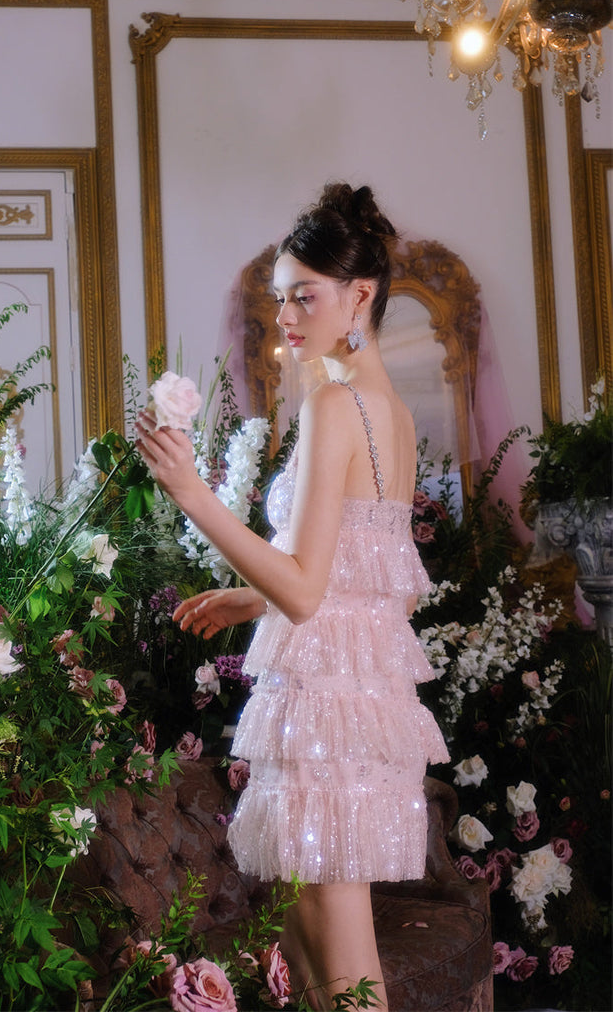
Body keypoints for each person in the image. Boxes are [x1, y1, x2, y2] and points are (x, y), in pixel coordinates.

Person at [135, 183, 449, 1011]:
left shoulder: (336, 405)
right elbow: (372, 586)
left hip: (330, 720)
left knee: (338, 965)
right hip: (352, 710)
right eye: (280, 297)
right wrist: (254, 598)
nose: (285, 316)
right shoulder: (389, 412)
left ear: (359, 295)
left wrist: (193, 495)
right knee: (313, 948)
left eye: (304, 295)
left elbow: (308, 592)